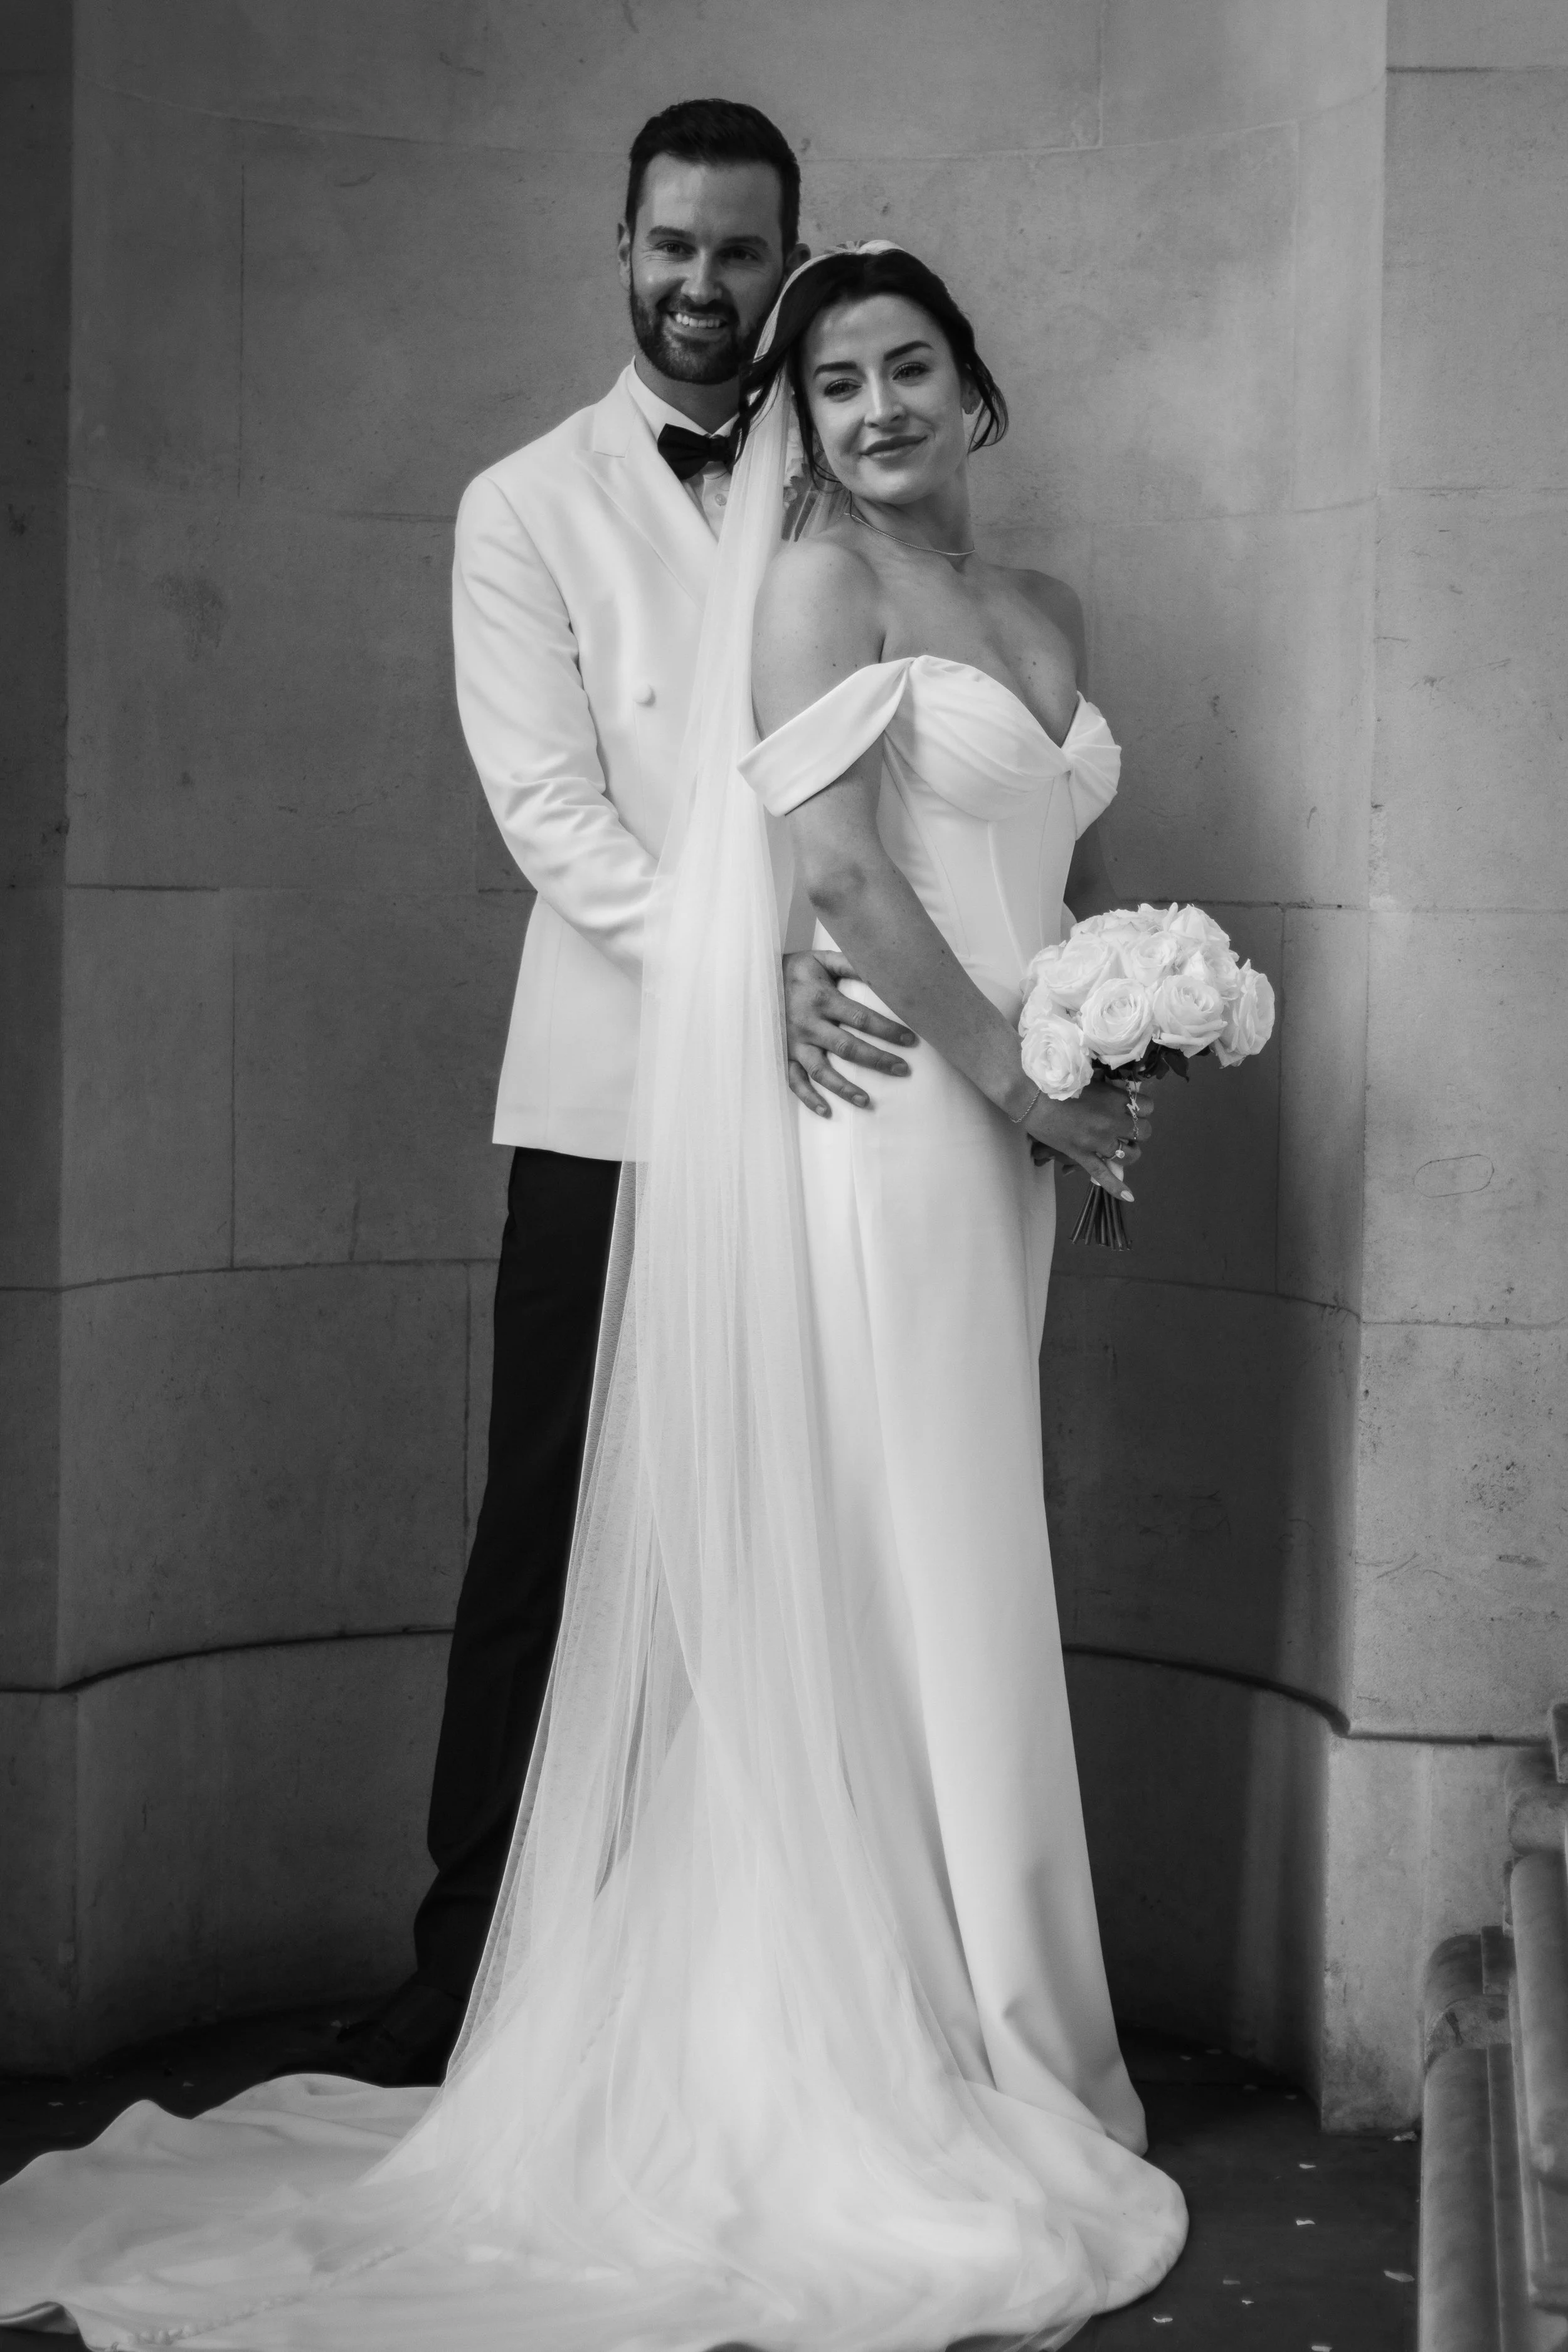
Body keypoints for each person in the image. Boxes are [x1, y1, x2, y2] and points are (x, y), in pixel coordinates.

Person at [0, 244, 1187, 2348]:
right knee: (909, 1549)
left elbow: (1042, 879)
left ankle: (967, 1986)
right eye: (835, 387)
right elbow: (836, 878)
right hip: (907, 1111)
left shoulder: (1055, 617)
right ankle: (944, 2033)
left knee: (949, 1549)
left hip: (1017, 1122)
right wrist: (1015, 1074)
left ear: (975, 388)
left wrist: (1105, 1044)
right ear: (802, 427)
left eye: (910, 369)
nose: (877, 410)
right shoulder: (822, 593)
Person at [341, 100, 918, 2089]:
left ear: (789, 255)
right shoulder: (524, 503)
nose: (703, 286)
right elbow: (551, 816)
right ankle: (471, 1960)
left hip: (837, 1082)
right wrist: (733, 974)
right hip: (609, 1089)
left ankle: (781, 1973)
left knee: (811, 1524)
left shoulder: (833, 451)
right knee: (550, 1529)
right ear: (618, 246)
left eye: (741, 253)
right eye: (671, 246)